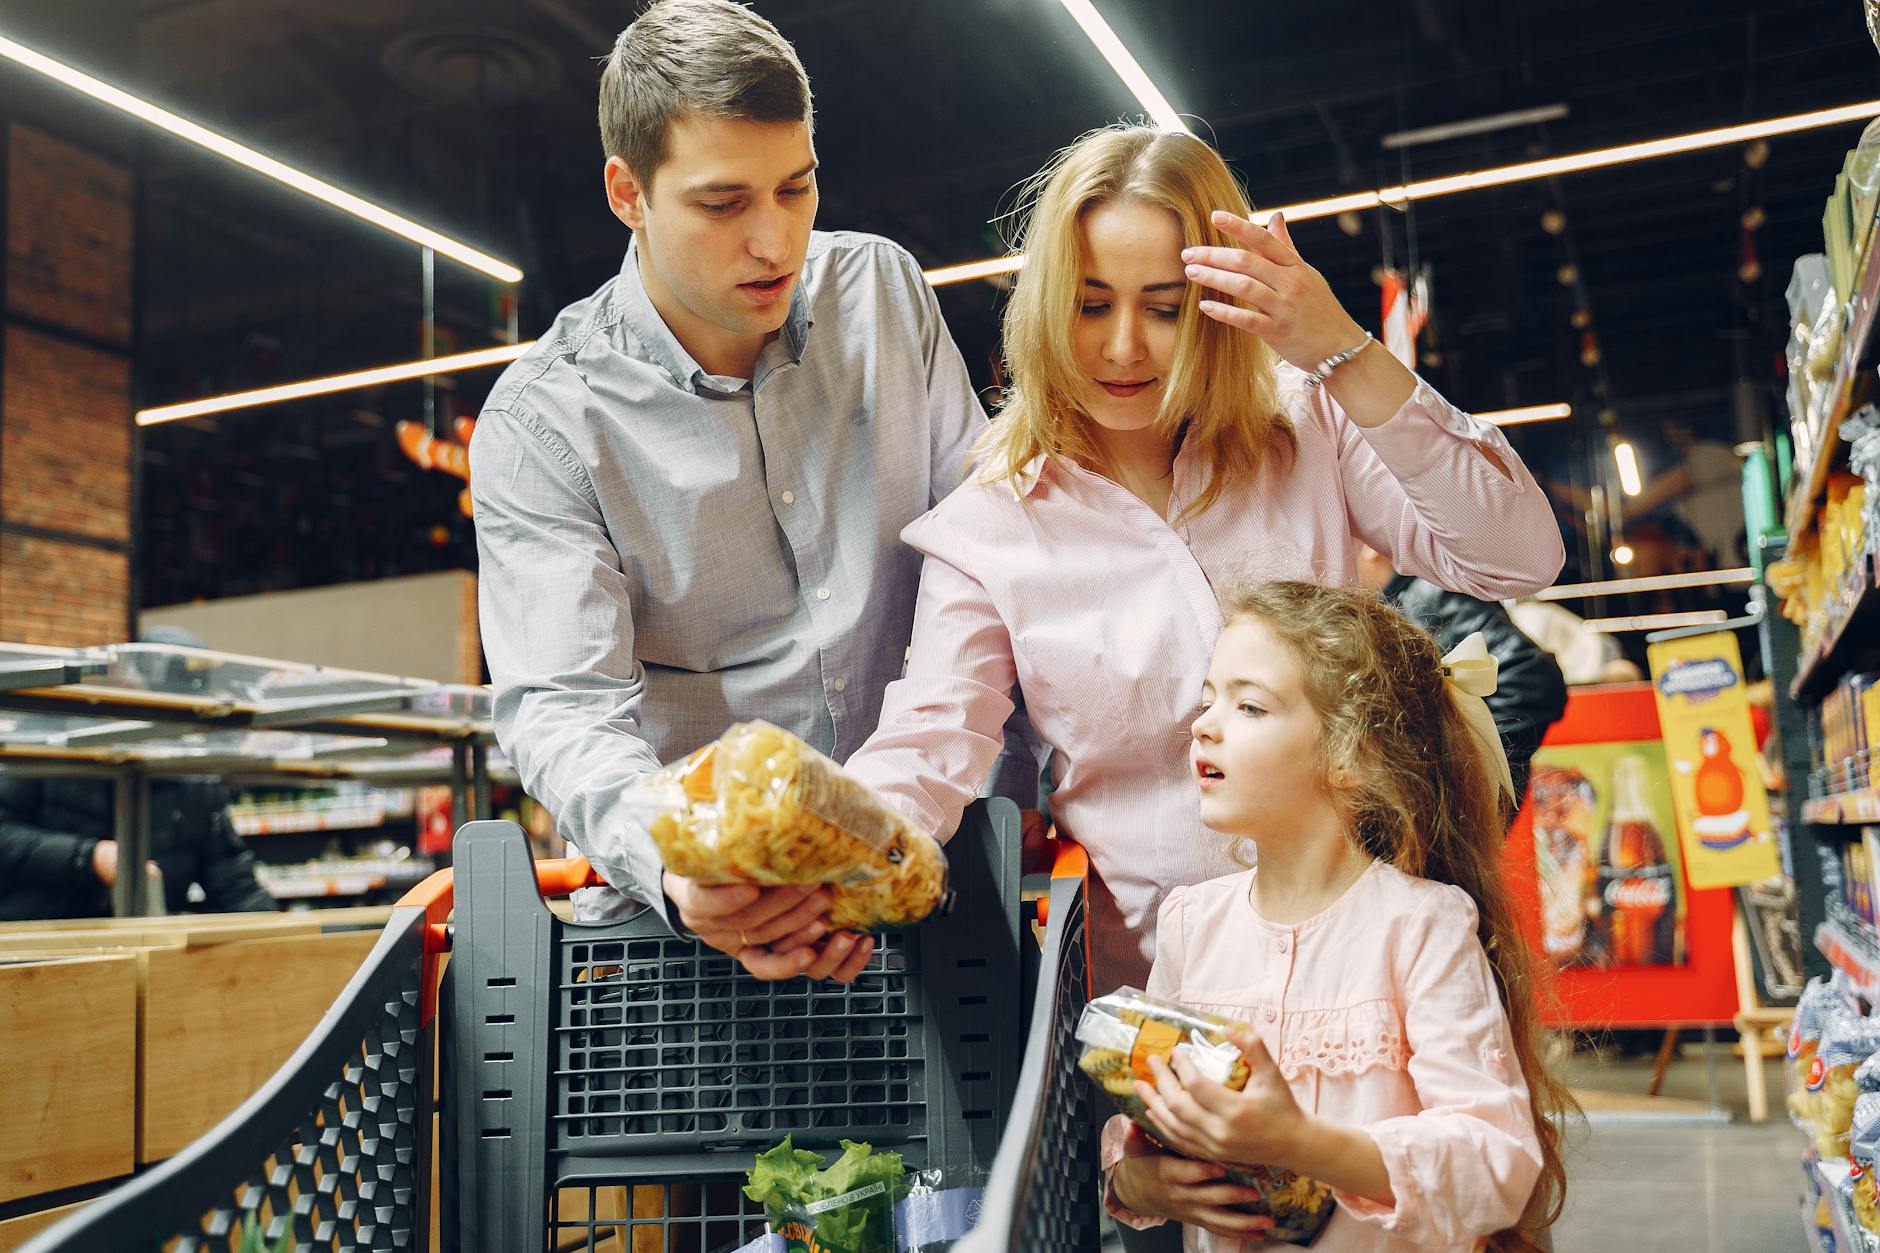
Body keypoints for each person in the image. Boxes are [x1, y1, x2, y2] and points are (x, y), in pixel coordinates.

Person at [842, 124, 1564, 992]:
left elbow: (1519, 555)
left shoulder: (1310, 428)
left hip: (1370, 968)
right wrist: (823, 860)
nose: (1122, 348)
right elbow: (930, 739)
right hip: (1163, 1012)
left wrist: (1343, 350)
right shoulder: (992, 525)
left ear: (1221, 307)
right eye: (1091, 302)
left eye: (1163, 307)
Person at [470, 0, 1018, 983]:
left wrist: (900, 807)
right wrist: (683, 869)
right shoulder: (543, 423)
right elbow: (562, 708)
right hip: (710, 941)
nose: (774, 242)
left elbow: (976, 555)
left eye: (796, 188)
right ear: (626, 193)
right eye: (723, 205)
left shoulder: (884, 297)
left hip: (940, 876)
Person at [1103, 581, 1570, 1252]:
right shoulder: (1188, 925)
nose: (1205, 722)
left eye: (1250, 705)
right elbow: (1144, 1126)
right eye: (1208, 699)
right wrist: (1140, 1182)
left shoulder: (1421, 927)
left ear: (1353, 753)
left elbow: (1494, 1163)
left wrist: (1302, 1143)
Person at [0, 626, 276, 920]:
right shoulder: (50, 739)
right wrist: (88, 856)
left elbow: (232, 878)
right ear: (128, 687)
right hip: (38, 943)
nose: (172, 726)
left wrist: (277, 938)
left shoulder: (192, 776)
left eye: (185, 714)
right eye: (163, 710)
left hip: (140, 947)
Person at [1355, 545, 1566, 797]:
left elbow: (1529, 678)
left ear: (1370, 547)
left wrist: (1466, 777)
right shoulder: (1401, 602)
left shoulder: (1428, 594)